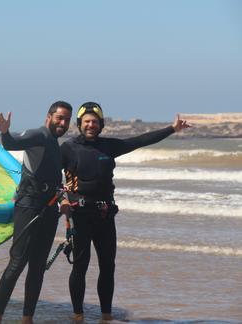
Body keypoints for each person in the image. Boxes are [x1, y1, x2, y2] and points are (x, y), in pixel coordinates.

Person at [60, 102, 190, 322]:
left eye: (94, 122)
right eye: (87, 122)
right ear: (79, 124)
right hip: (80, 215)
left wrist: (172, 129)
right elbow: (51, 174)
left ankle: (106, 315)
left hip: (105, 215)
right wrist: (61, 198)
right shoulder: (68, 148)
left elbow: (140, 141)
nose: (91, 125)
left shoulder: (109, 146)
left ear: (101, 124)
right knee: (80, 267)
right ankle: (78, 315)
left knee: (108, 267)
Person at [0, 101, 73, 324]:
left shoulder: (55, 144)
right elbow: (11, 143)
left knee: (37, 268)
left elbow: (54, 179)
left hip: (48, 210)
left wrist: (63, 198)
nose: (63, 123)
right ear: (49, 116)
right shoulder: (39, 135)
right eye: (59, 118)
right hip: (28, 207)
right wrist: (6, 131)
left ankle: (27, 319)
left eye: (67, 119)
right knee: (17, 263)